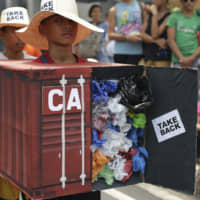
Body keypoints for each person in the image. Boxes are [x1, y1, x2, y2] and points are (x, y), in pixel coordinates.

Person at [16, 0, 103, 199]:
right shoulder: (27, 74)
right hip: (41, 179)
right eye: (58, 20)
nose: (67, 25)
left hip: (84, 177)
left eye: (71, 20)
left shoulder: (95, 73)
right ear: (43, 28)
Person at [0, 6, 35, 200]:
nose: (20, 37)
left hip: (29, 145)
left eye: (24, 31)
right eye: (14, 30)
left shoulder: (38, 64)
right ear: (3, 34)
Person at [108, 0, 143, 65]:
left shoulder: (141, 6)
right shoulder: (114, 9)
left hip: (138, 52)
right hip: (120, 53)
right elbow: (110, 34)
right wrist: (127, 37)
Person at [167, 0, 200, 68]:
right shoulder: (173, 17)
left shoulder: (198, 19)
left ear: (195, 2)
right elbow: (170, 40)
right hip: (178, 61)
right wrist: (182, 58)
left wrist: (191, 59)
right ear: (181, 1)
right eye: (185, 0)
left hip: (196, 61)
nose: (188, 2)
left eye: (192, 0)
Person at [140, 0, 171, 67]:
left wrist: (155, 14)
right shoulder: (148, 13)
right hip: (147, 57)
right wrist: (156, 41)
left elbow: (155, 34)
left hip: (162, 59)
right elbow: (141, 34)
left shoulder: (170, 16)